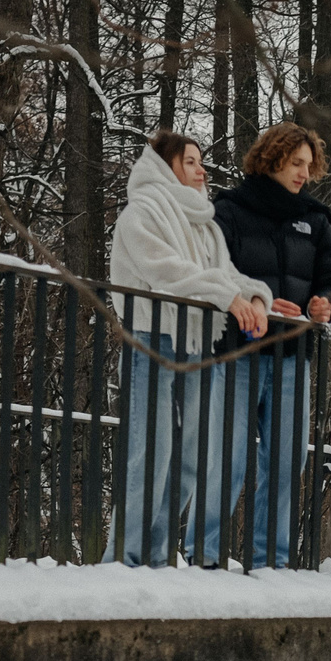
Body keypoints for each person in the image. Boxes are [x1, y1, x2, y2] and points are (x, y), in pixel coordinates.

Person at [104, 127, 274, 566]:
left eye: (201, 163)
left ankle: (156, 558)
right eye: (190, 163)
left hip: (197, 342)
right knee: (152, 453)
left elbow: (228, 274)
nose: (201, 172)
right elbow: (166, 271)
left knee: (194, 458)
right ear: (165, 166)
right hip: (151, 340)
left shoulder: (205, 226)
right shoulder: (141, 212)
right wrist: (227, 297)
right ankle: (124, 561)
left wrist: (255, 296)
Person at [209, 121, 331, 567]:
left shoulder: (317, 219)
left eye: (309, 164)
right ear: (272, 160)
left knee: (287, 463)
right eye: (295, 162)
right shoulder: (229, 210)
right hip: (239, 351)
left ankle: (272, 562)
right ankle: (203, 555)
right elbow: (213, 270)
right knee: (226, 458)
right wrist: (251, 298)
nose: (304, 172)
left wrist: (326, 304)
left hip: (293, 358)